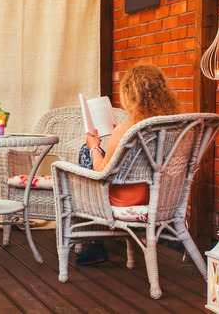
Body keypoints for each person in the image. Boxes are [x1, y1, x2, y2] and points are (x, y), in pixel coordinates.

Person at [75, 63, 182, 265]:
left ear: (130, 96)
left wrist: (93, 147)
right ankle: (94, 243)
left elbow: (102, 172)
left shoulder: (125, 130)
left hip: (125, 201)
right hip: (161, 199)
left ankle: (95, 242)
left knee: (86, 151)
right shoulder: (175, 127)